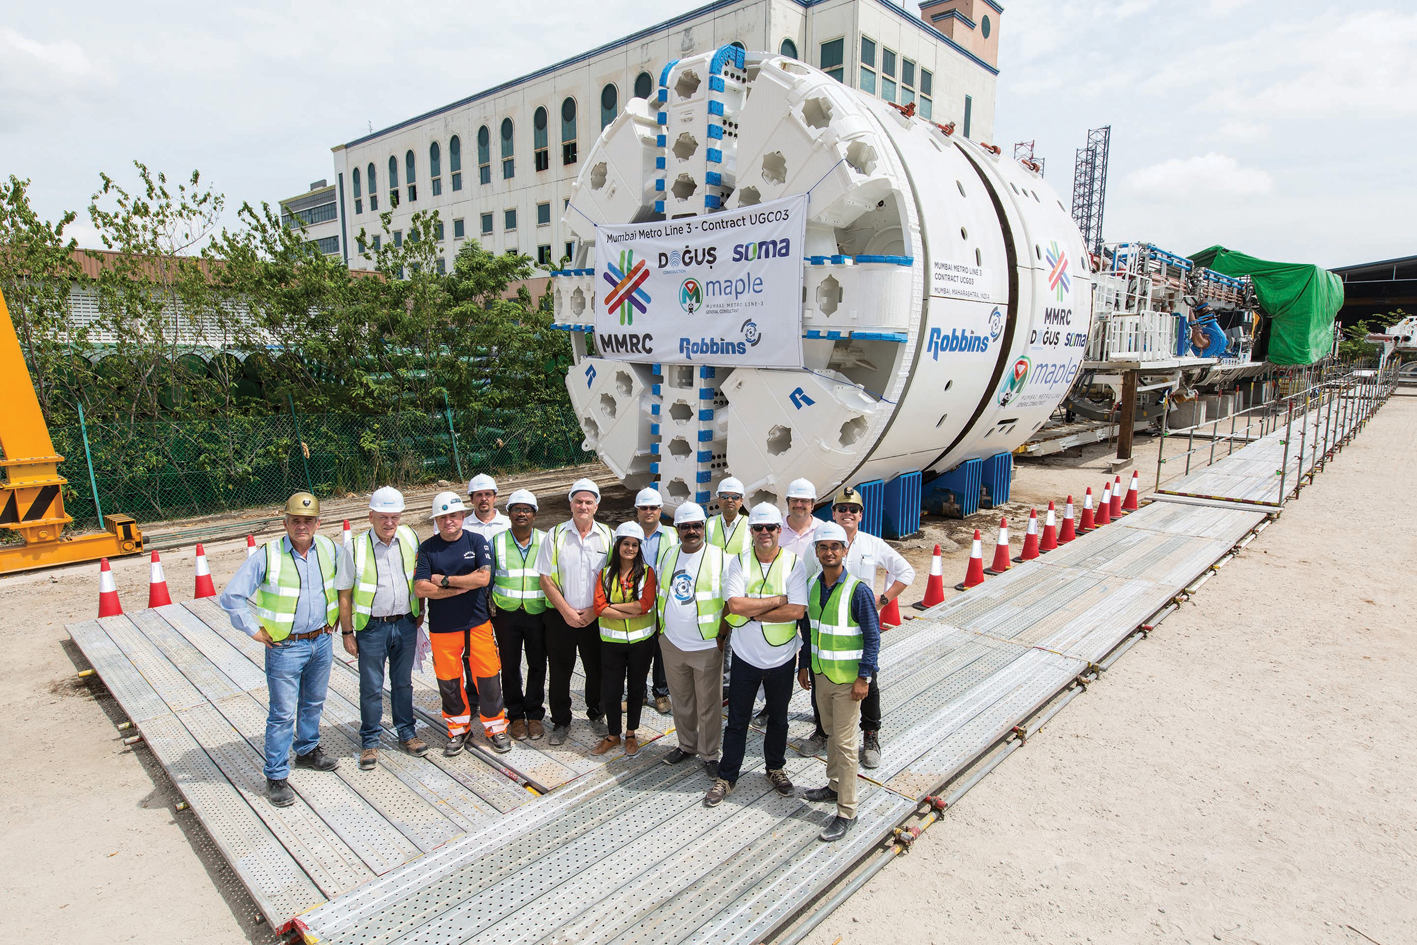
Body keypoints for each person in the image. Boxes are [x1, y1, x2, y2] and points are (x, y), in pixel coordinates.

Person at [218, 492, 353, 807]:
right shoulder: (268, 556)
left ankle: (307, 750)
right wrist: (252, 629)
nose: (302, 526)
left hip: (321, 640)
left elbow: (345, 587)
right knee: (282, 713)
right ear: (285, 523)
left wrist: (338, 619)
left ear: (318, 523)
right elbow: (231, 596)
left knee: (313, 703)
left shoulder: (330, 550)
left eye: (308, 521)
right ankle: (276, 775)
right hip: (285, 647)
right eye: (296, 520)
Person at [798, 486, 915, 770]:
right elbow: (806, 581)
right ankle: (822, 731)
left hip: (858, 630)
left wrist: (882, 600)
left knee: (868, 682)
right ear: (833, 512)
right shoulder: (819, 544)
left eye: (853, 509)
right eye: (842, 508)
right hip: (825, 629)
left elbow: (906, 572)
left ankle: (871, 735)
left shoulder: (873, 544)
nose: (847, 513)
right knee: (820, 680)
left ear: (861, 515)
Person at [705, 503, 808, 807]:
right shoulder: (738, 562)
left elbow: (797, 611)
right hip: (745, 656)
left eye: (771, 527)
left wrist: (753, 611)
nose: (765, 533)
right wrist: (777, 601)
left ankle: (775, 768)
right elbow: (735, 605)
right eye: (759, 528)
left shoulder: (794, 564)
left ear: (779, 530)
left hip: (781, 657)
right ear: (751, 531)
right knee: (737, 720)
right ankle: (727, 776)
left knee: (778, 718)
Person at [800, 521, 881, 842]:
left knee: (846, 744)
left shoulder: (858, 590)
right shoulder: (812, 585)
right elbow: (810, 631)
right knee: (831, 732)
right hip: (822, 675)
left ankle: (847, 810)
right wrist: (805, 665)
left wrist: (864, 678)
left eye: (835, 547)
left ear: (845, 551)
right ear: (816, 552)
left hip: (849, 681)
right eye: (823, 547)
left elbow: (872, 637)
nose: (829, 552)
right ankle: (834, 786)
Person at [413, 491, 512, 756]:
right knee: (449, 681)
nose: (449, 521)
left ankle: (495, 728)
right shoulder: (427, 548)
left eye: (454, 516)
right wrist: (462, 586)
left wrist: (445, 581)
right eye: (443, 517)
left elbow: (483, 578)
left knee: (488, 677)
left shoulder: (476, 540)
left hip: (477, 622)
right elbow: (421, 588)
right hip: (443, 627)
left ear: (462, 516)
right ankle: (458, 729)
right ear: (436, 520)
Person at [344, 486, 428, 771]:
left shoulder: (410, 537)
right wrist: (347, 633)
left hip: (405, 623)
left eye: (394, 517)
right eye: (383, 517)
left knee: (403, 683)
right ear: (371, 517)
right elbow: (345, 593)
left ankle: (407, 733)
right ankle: (370, 740)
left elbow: (417, 577)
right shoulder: (355, 547)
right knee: (371, 686)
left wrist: (420, 610)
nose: (389, 522)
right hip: (372, 628)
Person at [537, 477, 613, 746]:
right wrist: (567, 611)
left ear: (596, 506)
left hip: (596, 617)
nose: (583, 506)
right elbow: (545, 578)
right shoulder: (555, 535)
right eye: (578, 501)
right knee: (559, 671)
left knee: (597, 669)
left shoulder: (609, 536)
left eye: (588, 502)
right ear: (570, 504)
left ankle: (596, 714)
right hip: (561, 617)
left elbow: (614, 579)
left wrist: (594, 611)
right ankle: (561, 721)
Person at [656, 502, 728, 778]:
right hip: (673, 643)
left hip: (706, 646)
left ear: (704, 527)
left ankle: (709, 754)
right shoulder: (669, 555)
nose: (691, 531)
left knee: (708, 704)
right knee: (682, 700)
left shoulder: (721, 558)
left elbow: (730, 602)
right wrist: (662, 633)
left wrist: (722, 635)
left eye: (696, 526)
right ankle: (686, 745)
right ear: (677, 530)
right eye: (685, 527)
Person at [591, 522, 659, 757]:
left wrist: (613, 606)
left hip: (642, 643)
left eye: (634, 545)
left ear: (639, 548)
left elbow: (645, 605)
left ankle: (631, 733)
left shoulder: (647, 573)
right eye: (626, 544)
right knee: (611, 690)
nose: (630, 548)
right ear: (618, 545)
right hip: (612, 643)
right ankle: (613, 735)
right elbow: (599, 608)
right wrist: (629, 611)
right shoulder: (605, 574)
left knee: (636, 689)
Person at [490, 489, 549, 741]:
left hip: (538, 613)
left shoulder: (546, 541)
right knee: (510, 665)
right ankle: (515, 715)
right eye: (517, 509)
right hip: (507, 614)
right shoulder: (496, 542)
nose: (521, 514)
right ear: (509, 513)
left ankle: (534, 715)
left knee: (537, 664)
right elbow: (488, 578)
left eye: (526, 510)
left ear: (534, 515)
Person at [633, 486, 677, 715]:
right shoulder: (629, 534)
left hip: (663, 601)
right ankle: (637, 693)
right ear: (637, 511)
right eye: (644, 508)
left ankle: (661, 692)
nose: (648, 511)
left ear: (660, 510)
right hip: (636, 601)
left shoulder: (672, 535)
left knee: (662, 649)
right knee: (638, 649)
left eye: (653, 507)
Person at [705, 476, 750, 555]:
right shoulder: (709, 524)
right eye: (724, 497)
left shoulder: (750, 525)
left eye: (735, 497)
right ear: (718, 500)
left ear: (741, 501)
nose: (729, 500)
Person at [779, 478, 822, 557]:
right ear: (788, 503)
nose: (798, 505)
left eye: (804, 501)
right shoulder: (775, 529)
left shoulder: (822, 529)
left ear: (813, 504)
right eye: (794, 500)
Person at [463, 473, 511, 542]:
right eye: (479, 495)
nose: (484, 499)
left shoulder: (509, 524)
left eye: (488, 494)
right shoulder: (462, 527)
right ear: (471, 499)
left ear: (495, 497)